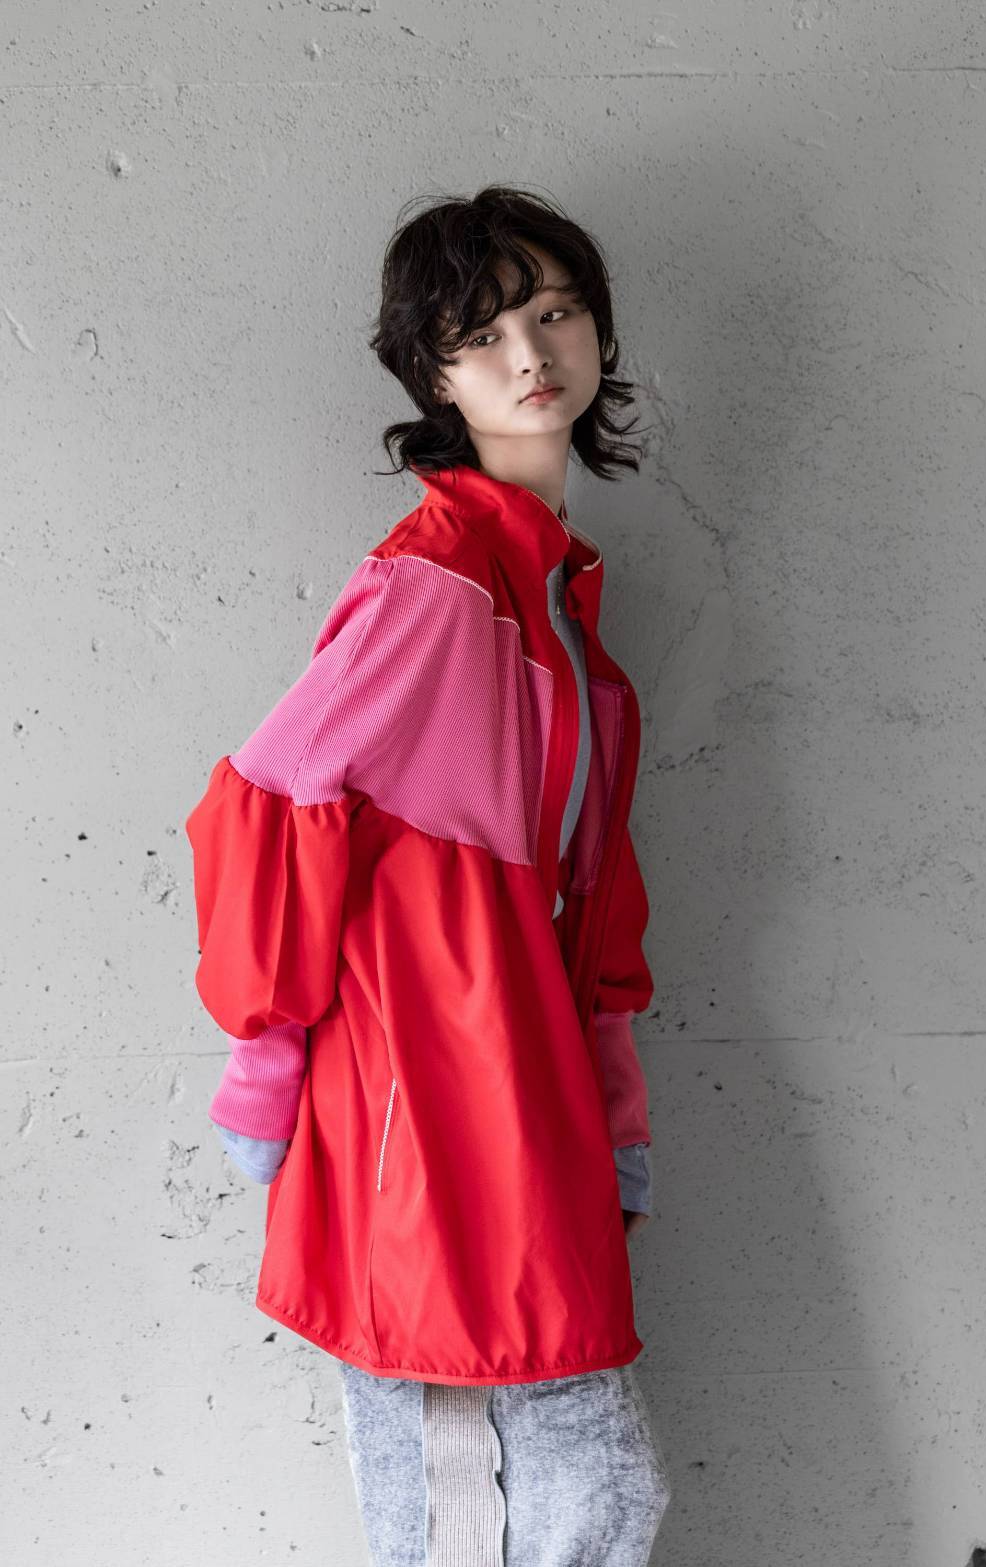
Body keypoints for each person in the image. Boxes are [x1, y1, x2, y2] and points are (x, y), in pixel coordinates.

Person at [184, 184, 671, 1565]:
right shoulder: (438, 585)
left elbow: (588, 894)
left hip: (517, 1086)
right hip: (425, 1096)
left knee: (552, 1492)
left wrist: (612, 1108)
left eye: (555, 313)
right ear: (435, 378)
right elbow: (268, 806)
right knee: (521, 1495)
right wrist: (266, 1061)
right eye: (483, 334)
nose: (532, 354)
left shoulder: (550, 593)